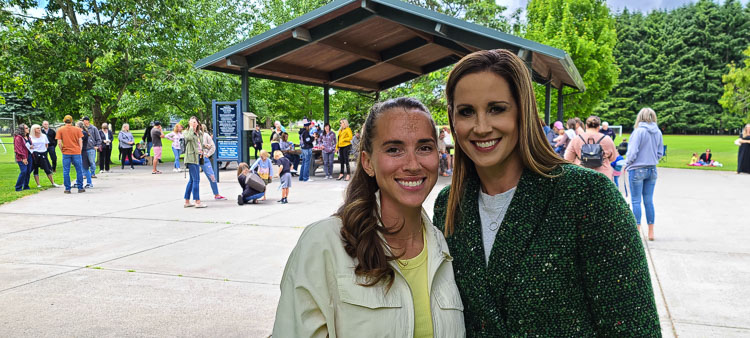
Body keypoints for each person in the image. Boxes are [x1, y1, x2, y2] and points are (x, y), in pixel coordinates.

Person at [433, 49, 659, 336]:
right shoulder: (449, 205)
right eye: (466, 112)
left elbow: (634, 327)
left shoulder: (588, 197)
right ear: (453, 120)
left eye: (496, 108)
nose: (481, 127)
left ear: (522, 112)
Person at [273, 97, 464, 337]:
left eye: (424, 147)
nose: (413, 164)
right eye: (394, 149)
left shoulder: (444, 247)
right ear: (367, 162)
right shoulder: (324, 243)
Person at [625, 107, 664, 241]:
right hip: (652, 169)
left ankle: (637, 230)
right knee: (649, 201)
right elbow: (660, 152)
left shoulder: (638, 132)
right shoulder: (658, 132)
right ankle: (651, 232)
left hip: (637, 169)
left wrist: (627, 163)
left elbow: (632, 152)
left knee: (636, 200)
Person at [564, 115, 618, 181]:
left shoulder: (576, 139)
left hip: (581, 175)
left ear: (586, 126)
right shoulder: (607, 139)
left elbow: (568, 158)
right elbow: (613, 157)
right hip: (603, 176)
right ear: (598, 127)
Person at [56, 115, 86, 193]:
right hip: (76, 151)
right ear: (72, 121)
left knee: (66, 171)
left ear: (64, 121)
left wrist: (62, 149)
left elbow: (59, 142)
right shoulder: (77, 129)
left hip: (66, 152)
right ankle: (80, 187)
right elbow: (80, 140)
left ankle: (67, 189)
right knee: (79, 170)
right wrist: (80, 149)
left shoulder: (60, 130)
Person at [198, 122, 226, 200]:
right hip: (195, 158)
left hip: (204, 158)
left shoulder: (206, 136)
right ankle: (195, 197)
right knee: (194, 179)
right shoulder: (192, 136)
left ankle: (216, 194)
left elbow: (213, 147)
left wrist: (207, 155)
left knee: (212, 176)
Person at [183, 116, 206, 208]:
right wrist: (191, 129)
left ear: (198, 123)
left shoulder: (200, 133)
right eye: (191, 122)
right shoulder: (187, 132)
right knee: (196, 180)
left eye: (195, 122)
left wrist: (204, 147)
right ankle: (197, 201)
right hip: (191, 158)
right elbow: (188, 138)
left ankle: (187, 201)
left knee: (192, 180)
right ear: (189, 123)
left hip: (198, 157)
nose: (193, 123)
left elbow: (199, 144)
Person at [13, 124, 32, 192]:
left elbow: (27, 146)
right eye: (26, 128)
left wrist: (31, 146)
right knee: (24, 171)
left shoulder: (28, 137)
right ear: (22, 130)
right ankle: (18, 187)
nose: (28, 129)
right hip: (22, 157)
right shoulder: (18, 137)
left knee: (28, 171)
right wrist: (24, 158)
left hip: (29, 156)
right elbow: (18, 149)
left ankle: (26, 186)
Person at [77, 121, 93, 188]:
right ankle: (78, 182)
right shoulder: (81, 133)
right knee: (79, 168)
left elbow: (79, 141)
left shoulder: (83, 133)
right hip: (79, 152)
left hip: (83, 152)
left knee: (85, 168)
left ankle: (89, 182)